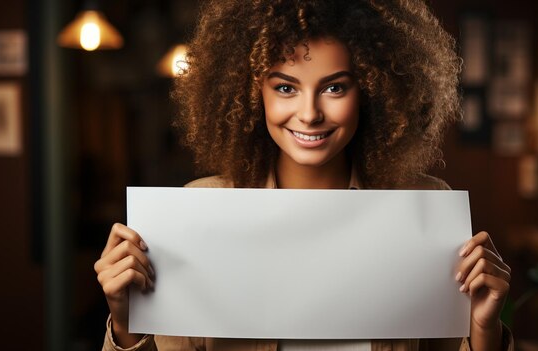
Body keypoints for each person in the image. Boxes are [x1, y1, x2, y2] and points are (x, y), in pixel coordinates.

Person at [94, 0, 513, 350]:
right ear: (251, 91)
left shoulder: (423, 207)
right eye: (285, 87)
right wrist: (126, 321)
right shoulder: (201, 207)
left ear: (371, 90)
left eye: (335, 88)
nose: (310, 114)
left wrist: (483, 327)